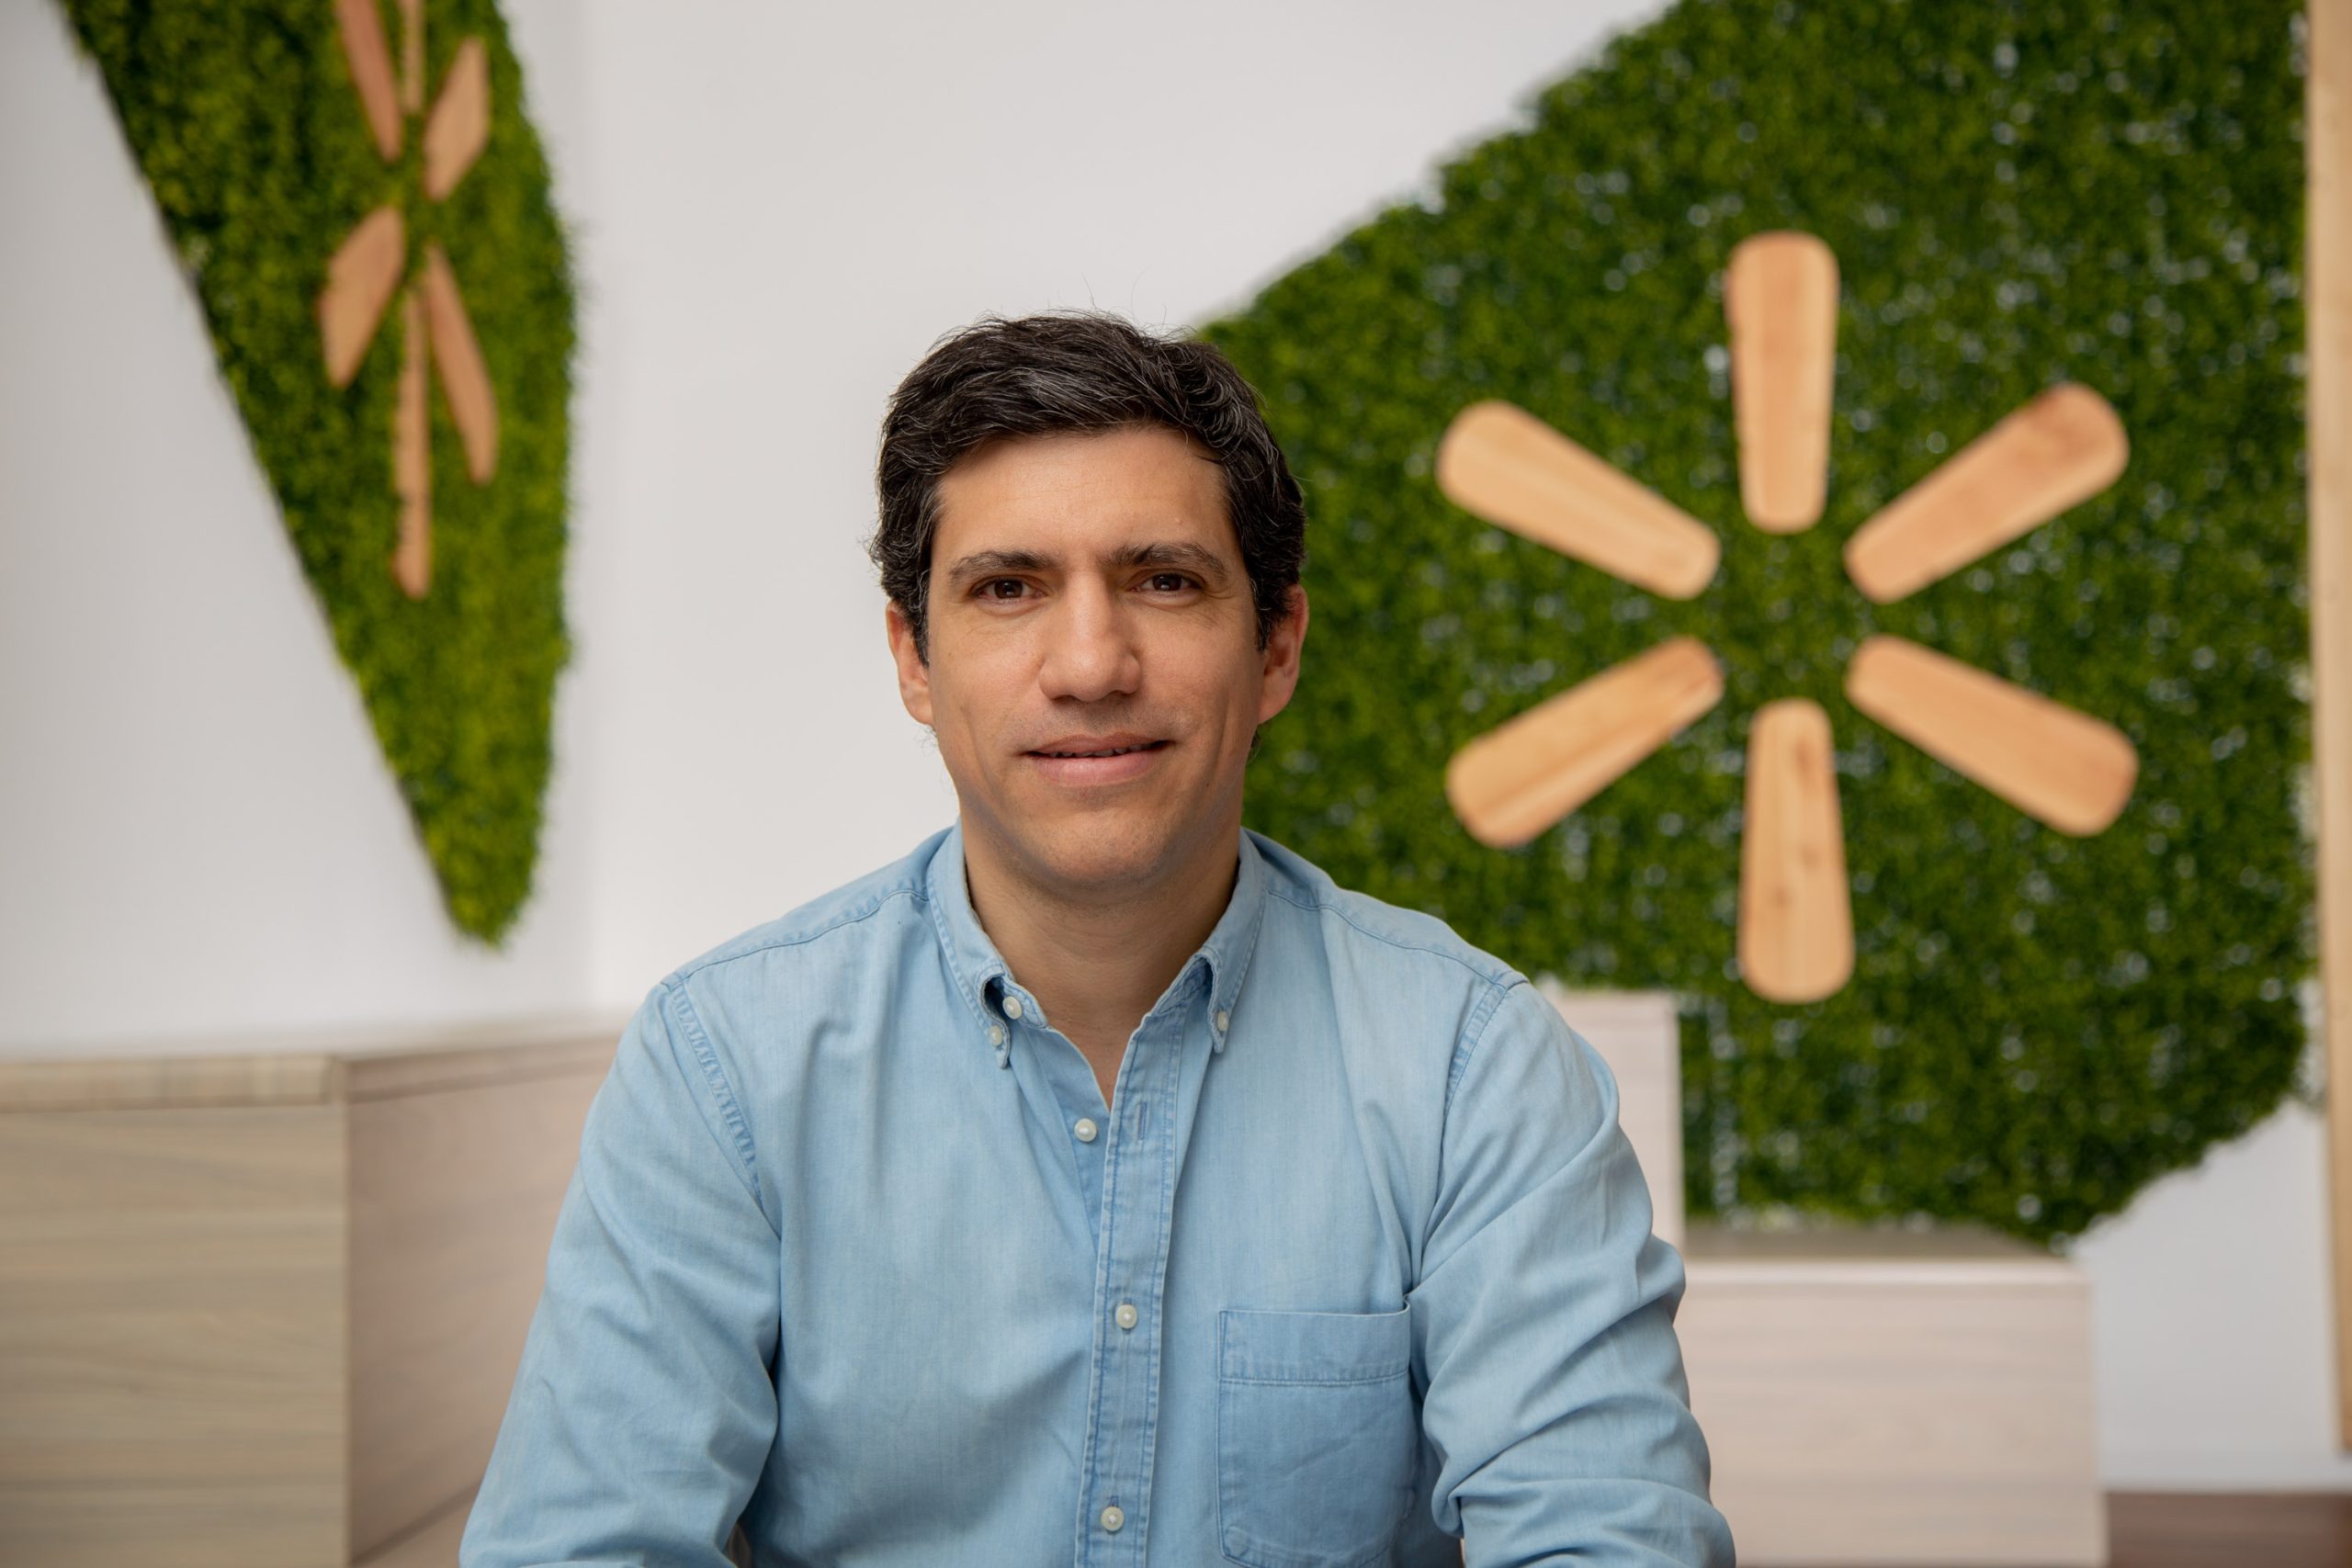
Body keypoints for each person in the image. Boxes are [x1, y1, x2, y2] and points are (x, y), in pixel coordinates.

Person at [460, 310, 1734, 1567]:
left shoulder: (1475, 1067)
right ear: (913, 658)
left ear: (1276, 647)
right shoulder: (724, 1067)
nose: (1089, 664)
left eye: (1163, 581)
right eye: (1007, 589)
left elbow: (1610, 1544)